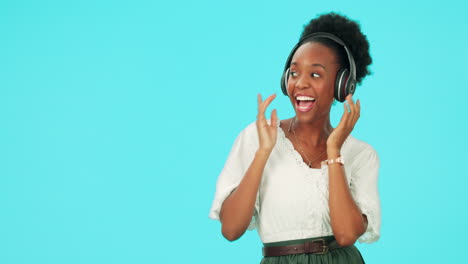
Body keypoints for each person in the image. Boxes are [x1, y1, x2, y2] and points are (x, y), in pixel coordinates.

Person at [208, 12, 380, 264]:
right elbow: (231, 230)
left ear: (342, 86)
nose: (300, 84)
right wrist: (262, 153)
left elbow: (345, 235)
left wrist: (334, 152)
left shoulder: (361, 154)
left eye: (316, 75)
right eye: (294, 73)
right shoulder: (257, 137)